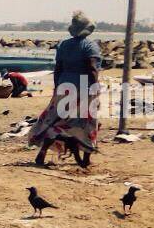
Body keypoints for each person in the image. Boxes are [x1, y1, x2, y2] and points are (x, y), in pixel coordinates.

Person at [29, 10, 101, 168]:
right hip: (83, 86)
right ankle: (86, 158)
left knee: (56, 119)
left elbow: (58, 68)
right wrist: (95, 88)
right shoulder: (90, 45)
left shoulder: (63, 45)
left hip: (64, 85)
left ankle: (43, 151)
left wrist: (57, 88)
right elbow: (92, 69)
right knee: (88, 121)